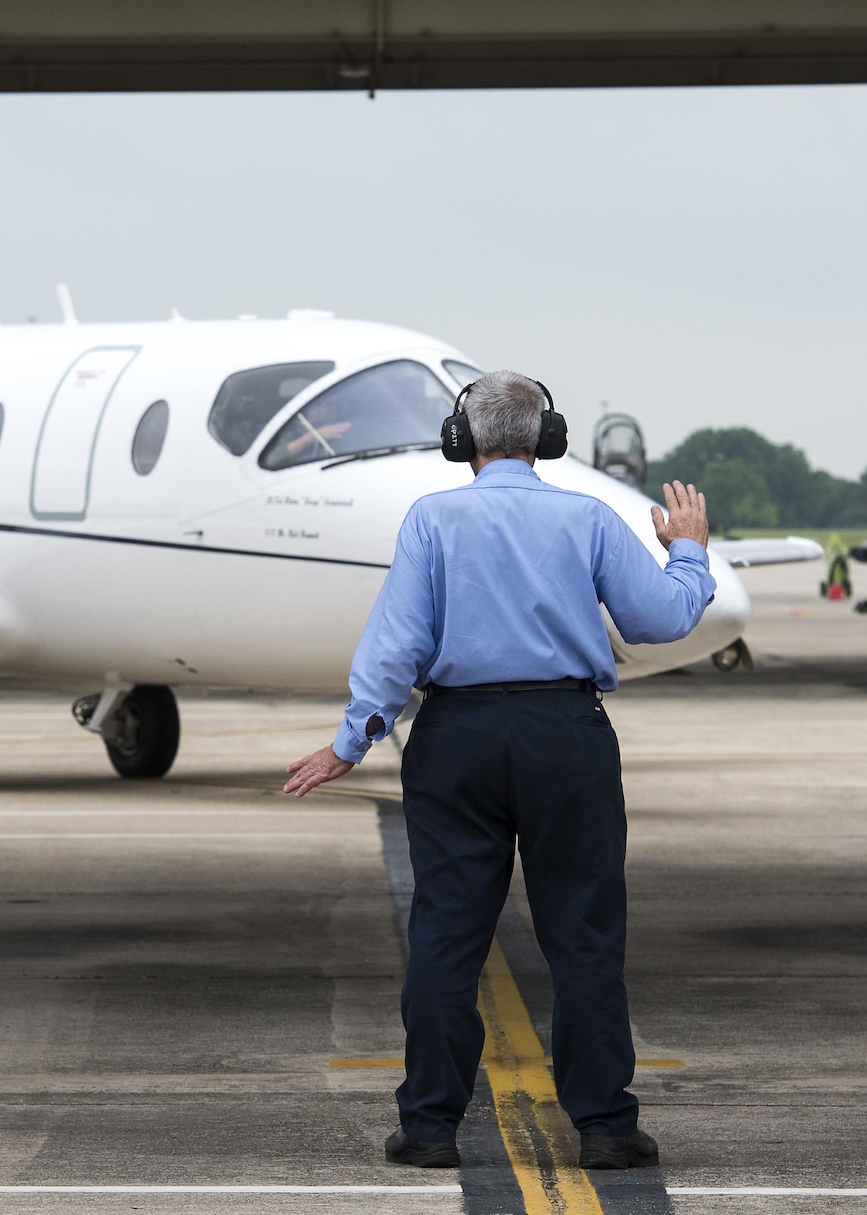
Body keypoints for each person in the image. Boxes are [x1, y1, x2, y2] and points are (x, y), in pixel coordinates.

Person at [282, 370, 715, 1172]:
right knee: (583, 936)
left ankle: (429, 1128)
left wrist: (352, 741)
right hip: (565, 734)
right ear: (547, 439)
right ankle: (606, 1128)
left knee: (447, 932)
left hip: (458, 738)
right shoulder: (587, 517)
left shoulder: (431, 520)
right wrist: (687, 550)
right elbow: (662, 619)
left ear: (462, 440)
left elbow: (396, 648)